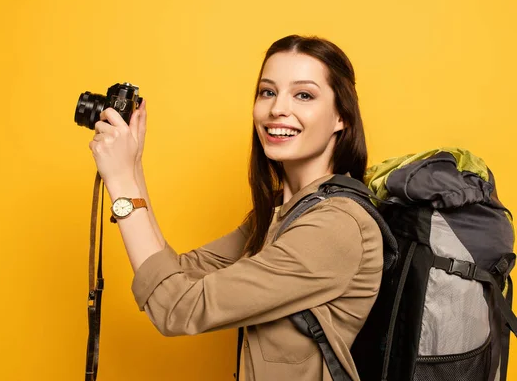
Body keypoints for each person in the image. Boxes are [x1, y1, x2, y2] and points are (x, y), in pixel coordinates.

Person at [88, 34, 384, 381]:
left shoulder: (335, 227)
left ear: (341, 117)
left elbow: (177, 309)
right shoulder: (284, 211)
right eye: (267, 92)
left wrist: (121, 181)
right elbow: (175, 273)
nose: (277, 109)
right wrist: (133, 166)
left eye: (303, 95)